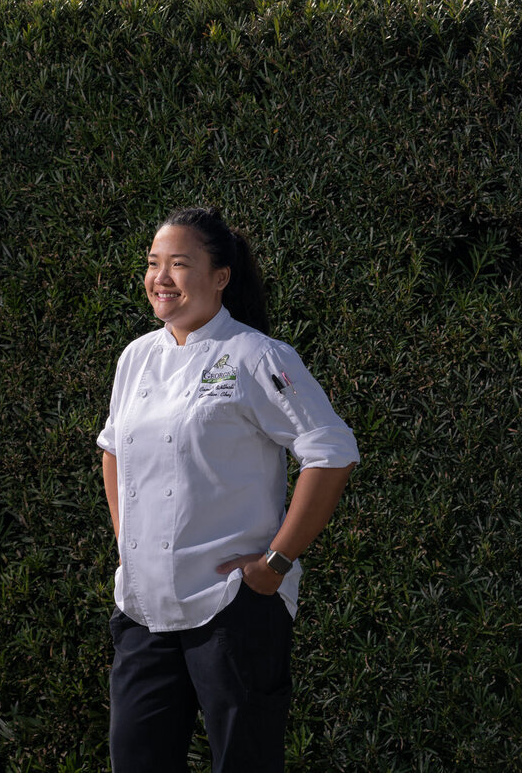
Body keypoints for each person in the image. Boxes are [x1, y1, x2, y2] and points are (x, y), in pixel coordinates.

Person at [97, 205, 359, 773]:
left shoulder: (256, 356)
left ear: (221, 277)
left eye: (179, 264)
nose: (161, 278)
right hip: (143, 610)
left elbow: (331, 452)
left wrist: (277, 560)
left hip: (232, 608)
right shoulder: (137, 357)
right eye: (153, 263)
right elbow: (113, 449)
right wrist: (128, 545)